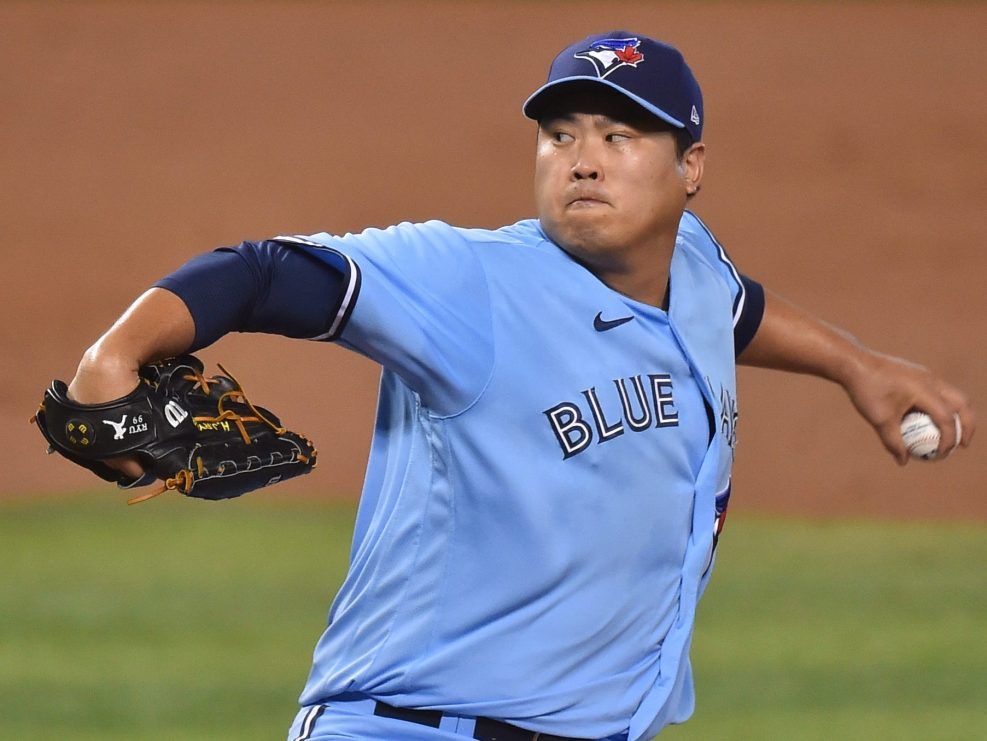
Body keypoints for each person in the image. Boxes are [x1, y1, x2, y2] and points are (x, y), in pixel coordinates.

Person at [65, 32, 973, 741]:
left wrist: (858, 366)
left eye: (619, 136)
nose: (582, 159)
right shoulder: (471, 281)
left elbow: (733, 311)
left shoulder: (690, 264)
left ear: (689, 169)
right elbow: (264, 272)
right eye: (560, 135)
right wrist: (116, 355)